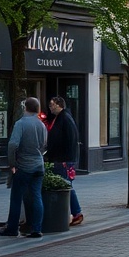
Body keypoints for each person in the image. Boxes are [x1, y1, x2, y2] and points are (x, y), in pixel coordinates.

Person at [0, 97, 47, 239]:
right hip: (39, 165)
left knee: (16, 197)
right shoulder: (41, 125)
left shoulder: (21, 123)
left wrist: (12, 163)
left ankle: (12, 228)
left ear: (25, 107)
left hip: (24, 166)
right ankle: (36, 229)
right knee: (37, 196)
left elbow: (13, 144)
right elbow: (44, 145)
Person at [46, 96, 83, 226]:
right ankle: (74, 212)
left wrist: (65, 159)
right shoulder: (61, 118)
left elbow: (67, 140)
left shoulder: (65, 119)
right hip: (62, 159)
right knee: (66, 184)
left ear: (59, 105)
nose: (50, 107)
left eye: (52, 104)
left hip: (63, 160)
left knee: (66, 185)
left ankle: (77, 212)